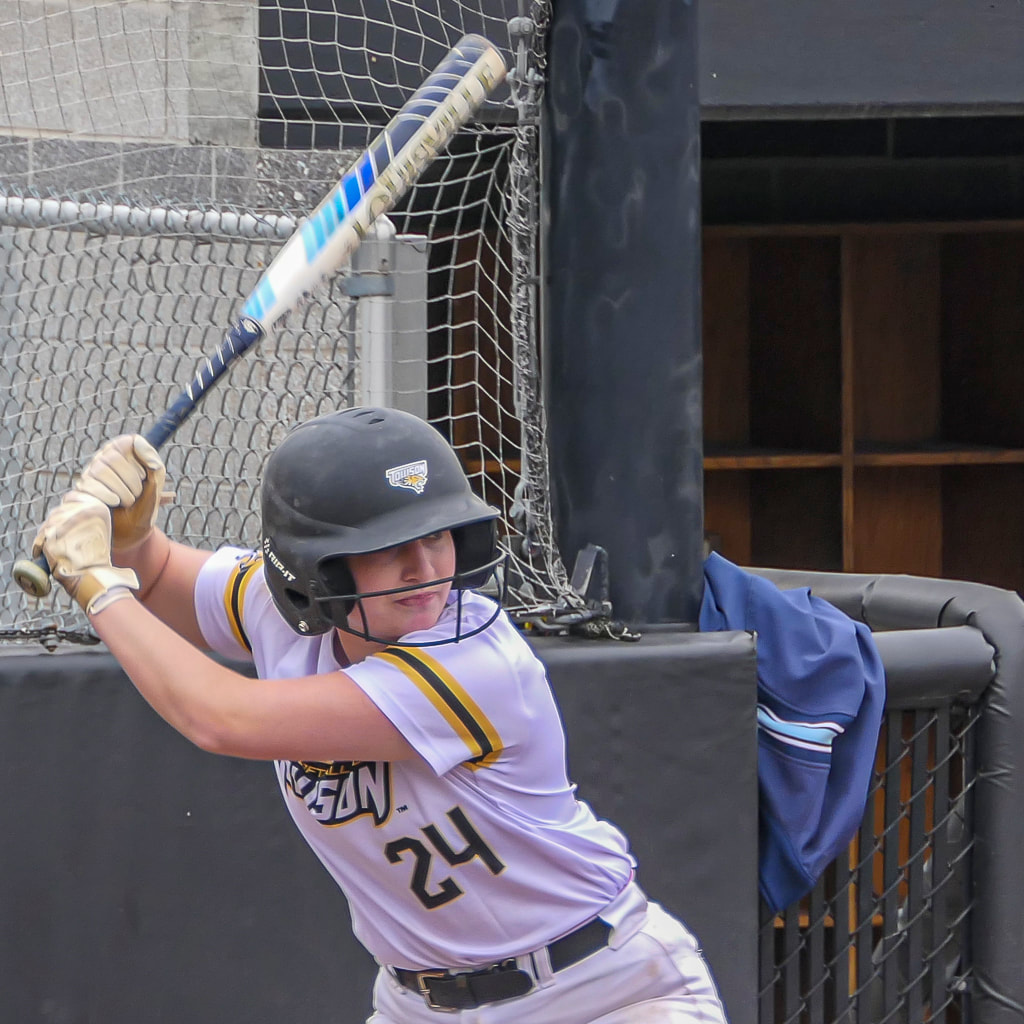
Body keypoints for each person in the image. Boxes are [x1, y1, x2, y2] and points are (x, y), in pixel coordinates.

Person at [32, 405, 728, 1024]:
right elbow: (157, 577)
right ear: (316, 571)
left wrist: (95, 582)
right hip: (417, 1003)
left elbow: (219, 718)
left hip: (601, 991)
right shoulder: (276, 609)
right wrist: (130, 538)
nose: (423, 568)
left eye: (438, 536)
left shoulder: (476, 659)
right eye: (389, 547)